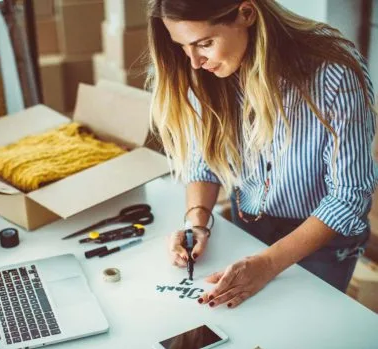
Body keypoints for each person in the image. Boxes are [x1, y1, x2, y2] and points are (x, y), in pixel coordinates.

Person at [146, 0, 377, 309]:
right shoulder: (209, 72)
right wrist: (196, 223)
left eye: (204, 43)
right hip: (250, 223)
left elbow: (349, 197)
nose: (195, 63)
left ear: (246, 13)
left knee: (305, 328)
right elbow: (206, 161)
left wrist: (267, 265)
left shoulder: (334, 72)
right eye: (183, 47)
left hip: (323, 240)